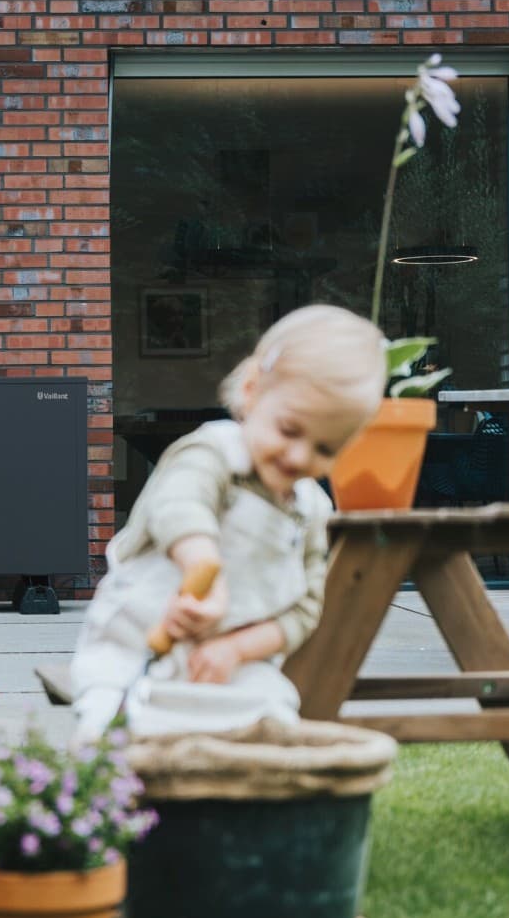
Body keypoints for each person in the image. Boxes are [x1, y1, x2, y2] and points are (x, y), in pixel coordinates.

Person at [69, 304, 386, 742]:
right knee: (115, 733)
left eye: (326, 449)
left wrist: (236, 648)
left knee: (273, 722)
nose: (299, 457)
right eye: (290, 430)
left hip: (229, 666)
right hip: (137, 649)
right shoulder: (212, 454)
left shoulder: (311, 509)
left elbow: (305, 609)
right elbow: (180, 507)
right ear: (253, 391)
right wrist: (204, 574)